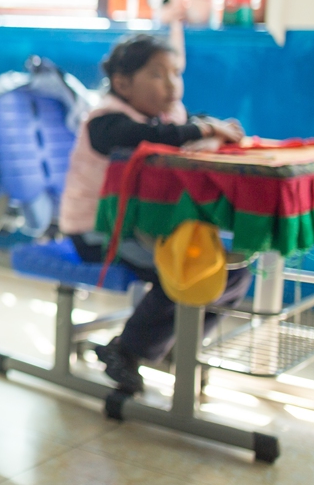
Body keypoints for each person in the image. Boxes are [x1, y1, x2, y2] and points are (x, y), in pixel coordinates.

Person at [59, 32, 253, 393]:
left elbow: (179, 131)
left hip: (148, 229)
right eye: (158, 75)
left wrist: (211, 130)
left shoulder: (166, 119)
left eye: (176, 74)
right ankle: (126, 351)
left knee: (234, 275)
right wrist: (206, 128)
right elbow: (146, 136)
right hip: (97, 231)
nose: (172, 84)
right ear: (122, 83)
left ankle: (174, 349)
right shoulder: (106, 120)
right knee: (182, 272)